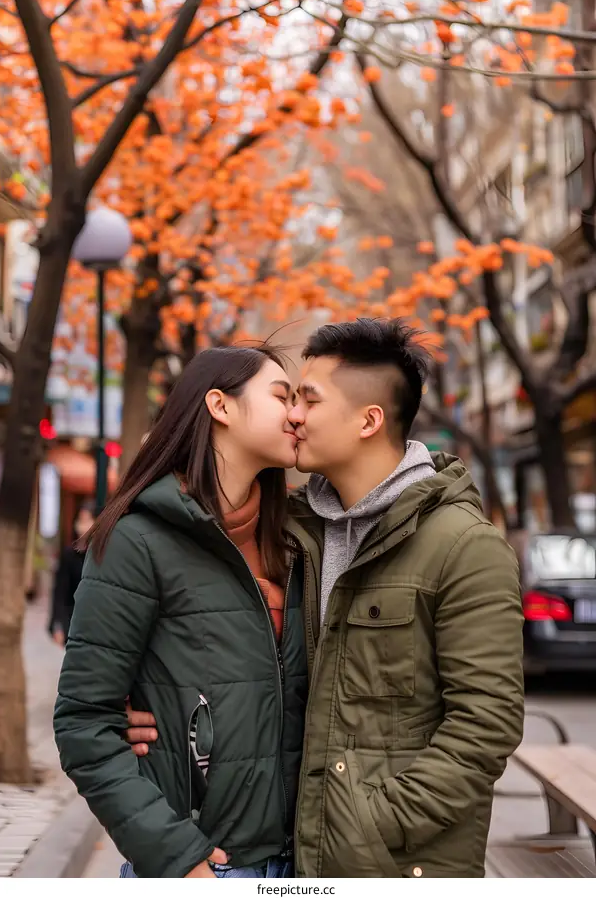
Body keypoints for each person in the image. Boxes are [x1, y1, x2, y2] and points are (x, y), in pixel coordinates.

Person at [127, 318, 524, 878]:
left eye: (308, 399)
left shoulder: (463, 546)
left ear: (368, 420)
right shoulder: (290, 530)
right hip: (291, 860)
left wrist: (369, 821)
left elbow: (487, 725)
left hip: (399, 864)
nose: (292, 414)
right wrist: (141, 710)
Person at [53, 346, 308, 879]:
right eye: (282, 396)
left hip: (304, 865)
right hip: (203, 867)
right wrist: (174, 856)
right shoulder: (137, 542)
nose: (297, 414)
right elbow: (84, 721)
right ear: (220, 406)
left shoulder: (299, 545)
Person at [48, 502, 95, 646]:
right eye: (80, 521)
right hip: (73, 621)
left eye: (86, 521)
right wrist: (57, 624)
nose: (82, 526)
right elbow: (60, 591)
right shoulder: (69, 554)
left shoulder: (101, 555)